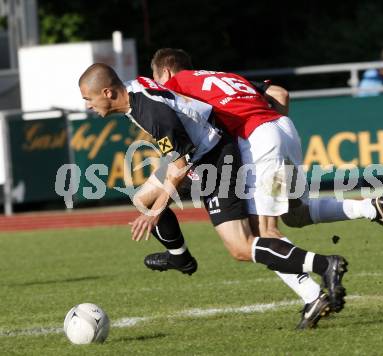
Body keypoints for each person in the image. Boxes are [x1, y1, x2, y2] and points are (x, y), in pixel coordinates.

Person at [78, 63, 349, 328]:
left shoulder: (151, 112)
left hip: (216, 159)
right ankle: (179, 256)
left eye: (88, 99)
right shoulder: (133, 93)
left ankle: (325, 264)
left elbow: (180, 169)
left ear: (108, 94)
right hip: (201, 155)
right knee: (143, 198)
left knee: (241, 247)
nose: (87, 106)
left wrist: (153, 214)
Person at [147, 48, 383, 327]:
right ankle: (371, 207)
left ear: (165, 72)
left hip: (257, 139)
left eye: (156, 77)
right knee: (297, 214)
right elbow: (281, 95)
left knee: (261, 233)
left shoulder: (173, 86)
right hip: (283, 128)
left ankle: (312, 295)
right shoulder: (224, 76)